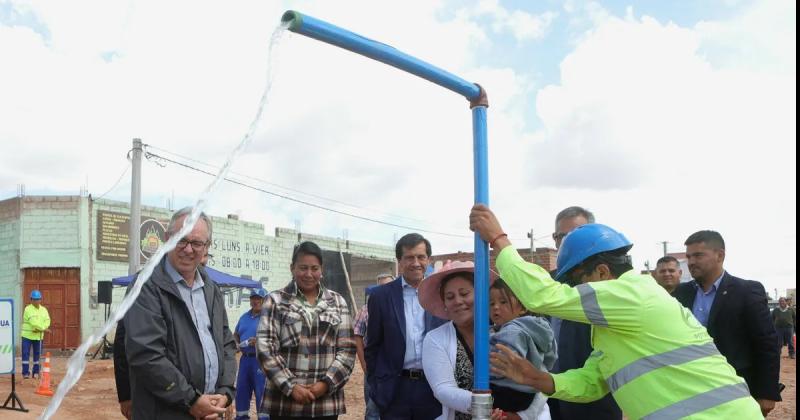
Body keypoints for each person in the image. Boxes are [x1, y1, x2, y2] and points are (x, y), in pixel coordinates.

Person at [470, 204, 763, 419]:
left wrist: (499, 240)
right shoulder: (619, 322)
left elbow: (545, 296)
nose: (576, 292)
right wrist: (539, 379)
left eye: (576, 283)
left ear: (601, 272)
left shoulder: (632, 294)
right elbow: (594, 380)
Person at [123, 207, 236, 419]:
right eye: (181, 240)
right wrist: (192, 401)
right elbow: (146, 354)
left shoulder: (211, 289)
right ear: (167, 239)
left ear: (206, 247)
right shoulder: (146, 287)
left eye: (197, 243)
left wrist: (225, 392)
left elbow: (227, 343)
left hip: (209, 410)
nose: (188, 249)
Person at [419, 261, 554, 420]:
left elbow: (542, 376)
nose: (457, 301)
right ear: (445, 304)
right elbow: (443, 389)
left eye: (464, 294)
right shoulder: (436, 339)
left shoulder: (509, 328)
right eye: (450, 297)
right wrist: (485, 407)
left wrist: (519, 416)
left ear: (481, 295)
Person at [673, 230, 781, 416]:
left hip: (735, 388)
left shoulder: (747, 291)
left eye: (698, 255)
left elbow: (767, 342)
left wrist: (766, 392)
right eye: (689, 256)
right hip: (690, 387)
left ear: (720, 255)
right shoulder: (681, 293)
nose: (691, 262)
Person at [256, 241, 355, 420]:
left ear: (321, 270)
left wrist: (325, 384)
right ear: (292, 268)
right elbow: (265, 349)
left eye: (314, 268)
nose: (309, 274)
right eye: (303, 268)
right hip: (284, 404)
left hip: (325, 405)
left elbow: (347, 350)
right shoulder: (275, 301)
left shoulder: (338, 302)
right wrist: (291, 387)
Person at [548, 206, 621, 420]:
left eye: (576, 234)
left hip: (596, 397)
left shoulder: (605, 281)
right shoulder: (545, 284)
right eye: (562, 236)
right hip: (551, 394)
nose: (568, 241)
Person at [365, 233, 447, 419]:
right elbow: (373, 346)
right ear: (399, 261)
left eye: (421, 257)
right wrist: (377, 384)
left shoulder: (442, 294)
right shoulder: (381, 297)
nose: (416, 263)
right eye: (409, 257)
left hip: (433, 389)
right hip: (394, 389)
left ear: (429, 259)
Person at [353, 273, 395, 420]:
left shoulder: (399, 309)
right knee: (372, 408)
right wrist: (365, 365)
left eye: (389, 285)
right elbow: (357, 337)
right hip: (373, 367)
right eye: (382, 286)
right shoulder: (365, 310)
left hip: (394, 368)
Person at [234, 288, 270, 420]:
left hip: (260, 360)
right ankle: (241, 417)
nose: (256, 301)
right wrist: (236, 343)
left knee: (262, 393)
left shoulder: (269, 318)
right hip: (245, 361)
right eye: (253, 298)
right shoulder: (244, 317)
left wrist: (259, 342)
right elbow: (236, 334)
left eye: (259, 298)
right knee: (242, 391)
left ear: (265, 300)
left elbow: (276, 339)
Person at [21, 289, 50, 379]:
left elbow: (47, 320)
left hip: (38, 336)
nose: (37, 301)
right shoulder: (28, 309)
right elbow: (33, 322)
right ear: (31, 300)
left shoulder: (44, 310)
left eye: (38, 299)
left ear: (41, 299)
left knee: (37, 355)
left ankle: (36, 373)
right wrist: (43, 328)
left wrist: (43, 328)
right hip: (27, 336)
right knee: (25, 354)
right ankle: (26, 373)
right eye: (35, 299)